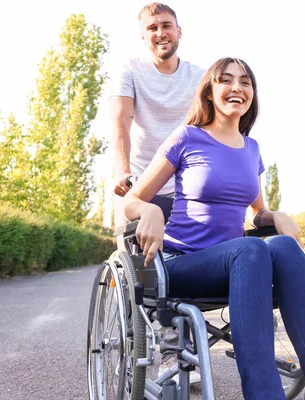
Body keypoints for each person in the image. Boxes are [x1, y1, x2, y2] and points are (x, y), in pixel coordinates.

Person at [124, 57, 305, 399]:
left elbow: (255, 212)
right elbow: (133, 200)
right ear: (210, 92)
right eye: (226, 80)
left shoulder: (251, 148)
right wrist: (150, 208)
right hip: (182, 263)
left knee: (282, 247)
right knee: (251, 248)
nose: (237, 88)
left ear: (252, 95)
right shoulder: (186, 137)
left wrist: (274, 216)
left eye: (245, 82)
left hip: (237, 265)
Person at [108, 1, 205, 385]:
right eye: (152, 28)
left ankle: (180, 350)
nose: (160, 32)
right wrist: (123, 174)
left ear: (180, 32)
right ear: (144, 36)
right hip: (140, 182)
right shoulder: (130, 70)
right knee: (142, 275)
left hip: (184, 185)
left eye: (167, 25)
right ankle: (150, 345)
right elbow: (121, 123)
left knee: (183, 269)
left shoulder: (199, 77)